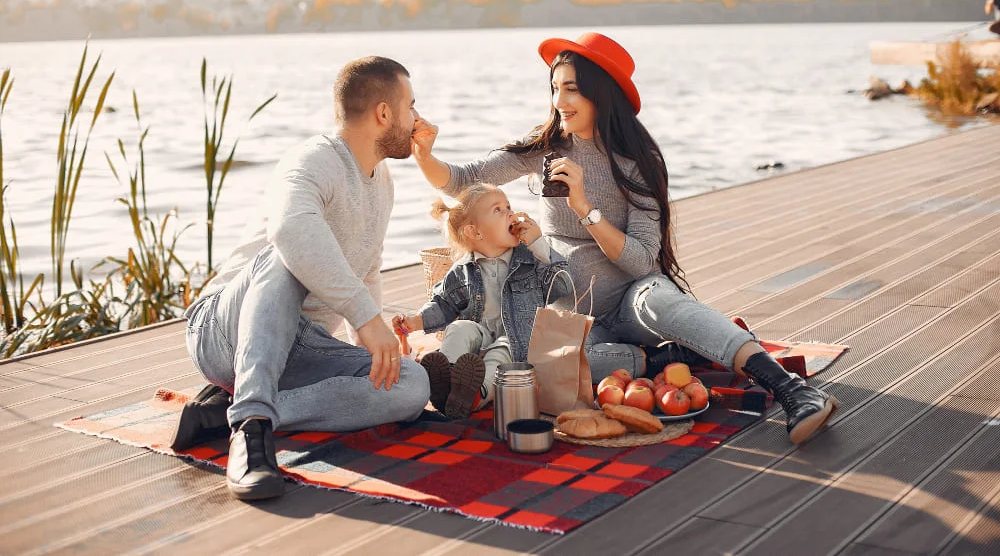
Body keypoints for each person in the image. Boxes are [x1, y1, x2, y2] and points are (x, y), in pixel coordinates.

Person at [411, 32, 839, 446]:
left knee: (660, 300)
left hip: (635, 299)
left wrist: (583, 206)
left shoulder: (638, 163)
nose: (560, 102)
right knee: (542, 363)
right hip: (576, 319)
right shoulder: (544, 147)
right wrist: (424, 154)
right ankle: (672, 358)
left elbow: (640, 262)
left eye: (572, 90)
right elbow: (462, 182)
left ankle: (793, 390)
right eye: (555, 89)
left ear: (603, 93)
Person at [174, 56, 432, 500]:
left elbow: (367, 265)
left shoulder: (382, 182)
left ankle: (228, 414)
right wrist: (368, 318)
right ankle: (252, 432)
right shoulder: (312, 160)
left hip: (301, 345)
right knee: (284, 255)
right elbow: (291, 230)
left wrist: (367, 350)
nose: (419, 119)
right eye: (411, 106)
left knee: (411, 384)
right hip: (223, 330)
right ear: (384, 113)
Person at [393, 185, 572, 418]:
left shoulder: (530, 259)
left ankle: (474, 395)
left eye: (509, 206)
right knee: (459, 328)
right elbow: (443, 304)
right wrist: (416, 321)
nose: (510, 213)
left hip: (518, 342)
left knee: (501, 353)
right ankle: (445, 381)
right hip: (476, 346)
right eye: (498, 209)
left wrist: (539, 245)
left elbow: (564, 285)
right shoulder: (463, 270)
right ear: (475, 233)